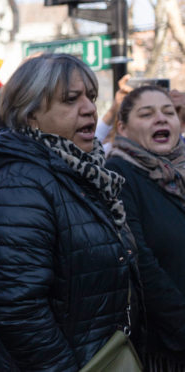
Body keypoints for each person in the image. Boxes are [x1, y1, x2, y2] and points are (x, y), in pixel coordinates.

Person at [0, 53, 140, 371]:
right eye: (70, 99)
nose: (90, 108)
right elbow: (18, 310)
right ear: (31, 114)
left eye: (90, 97)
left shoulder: (84, 173)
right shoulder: (20, 183)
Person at [107, 85, 185, 370]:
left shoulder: (180, 171)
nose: (162, 119)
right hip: (166, 348)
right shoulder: (119, 174)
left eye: (169, 112)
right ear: (123, 128)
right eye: (147, 114)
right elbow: (141, 263)